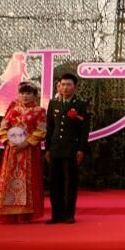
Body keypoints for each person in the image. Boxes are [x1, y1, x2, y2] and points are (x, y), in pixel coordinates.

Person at [45, 73, 89, 224]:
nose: (65, 87)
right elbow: (50, 128)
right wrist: (47, 149)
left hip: (72, 149)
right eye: (63, 84)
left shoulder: (80, 105)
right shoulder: (53, 103)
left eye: (69, 84)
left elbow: (84, 130)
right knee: (54, 183)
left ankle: (69, 214)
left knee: (70, 183)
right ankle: (56, 215)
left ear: (75, 87)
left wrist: (81, 149)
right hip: (55, 148)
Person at [0, 82, 46, 223]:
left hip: (29, 151)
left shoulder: (39, 111)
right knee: (9, 180)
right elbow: (3, 127)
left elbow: (41, 130)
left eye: (28, 93)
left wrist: (26, 143)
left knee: (28, 180)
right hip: (12, 151)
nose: (25, 96)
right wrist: (8, 141)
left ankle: (26, 214)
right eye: (22, 93)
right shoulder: (13, 109)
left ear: (35, 95)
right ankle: (9, 213)